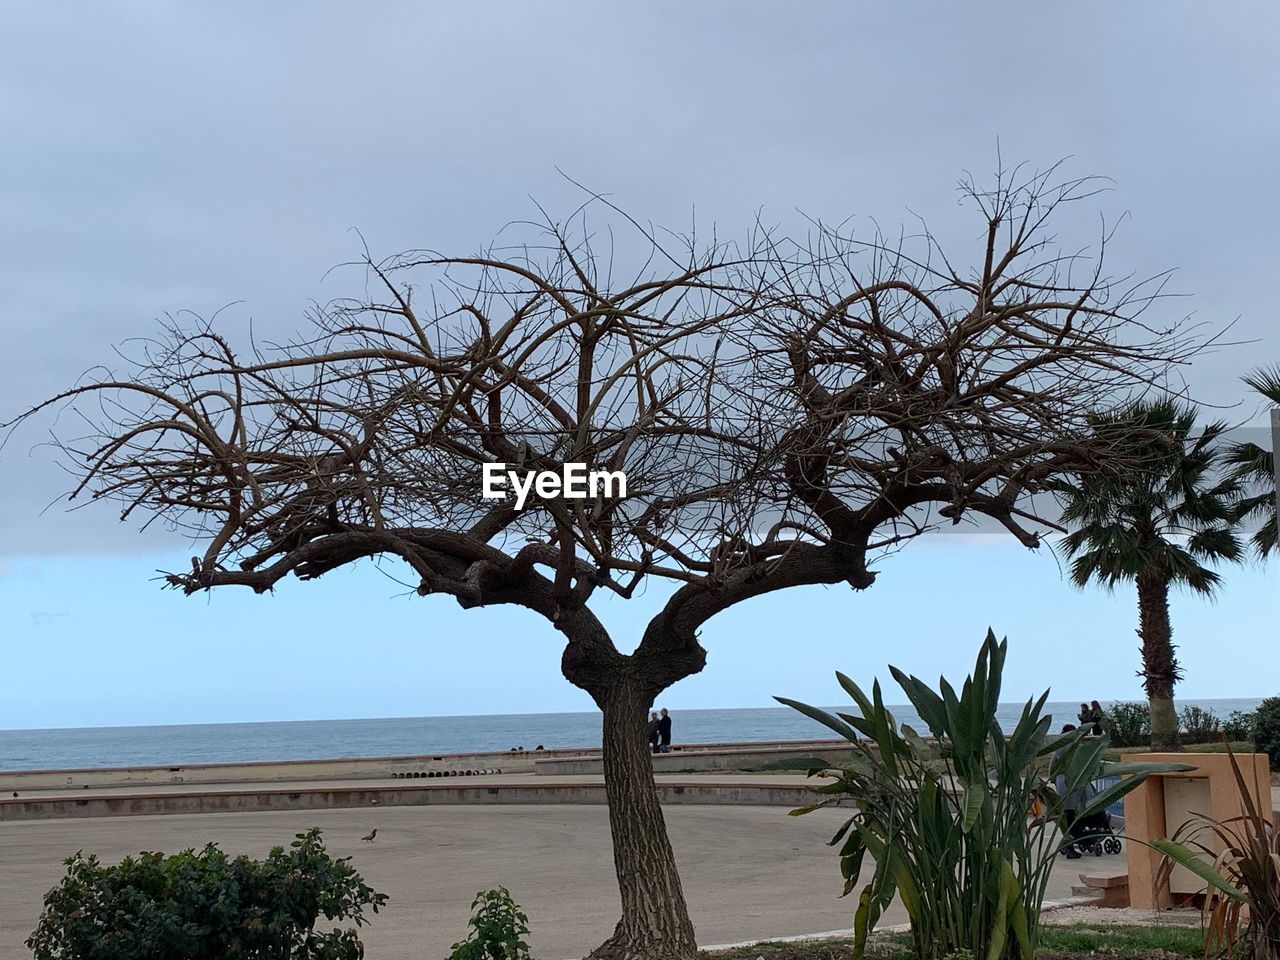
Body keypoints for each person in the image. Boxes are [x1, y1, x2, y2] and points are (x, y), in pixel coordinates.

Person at [1053, 723, 1098, 859]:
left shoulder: (1058, 749)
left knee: (1068, 820)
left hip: (1063, 788)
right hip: (1076, 788)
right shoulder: (1079, 749)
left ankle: (1072, 845)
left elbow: (1052, 769)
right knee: (1074, 820)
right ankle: (1084, 842)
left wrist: (1055, 781)